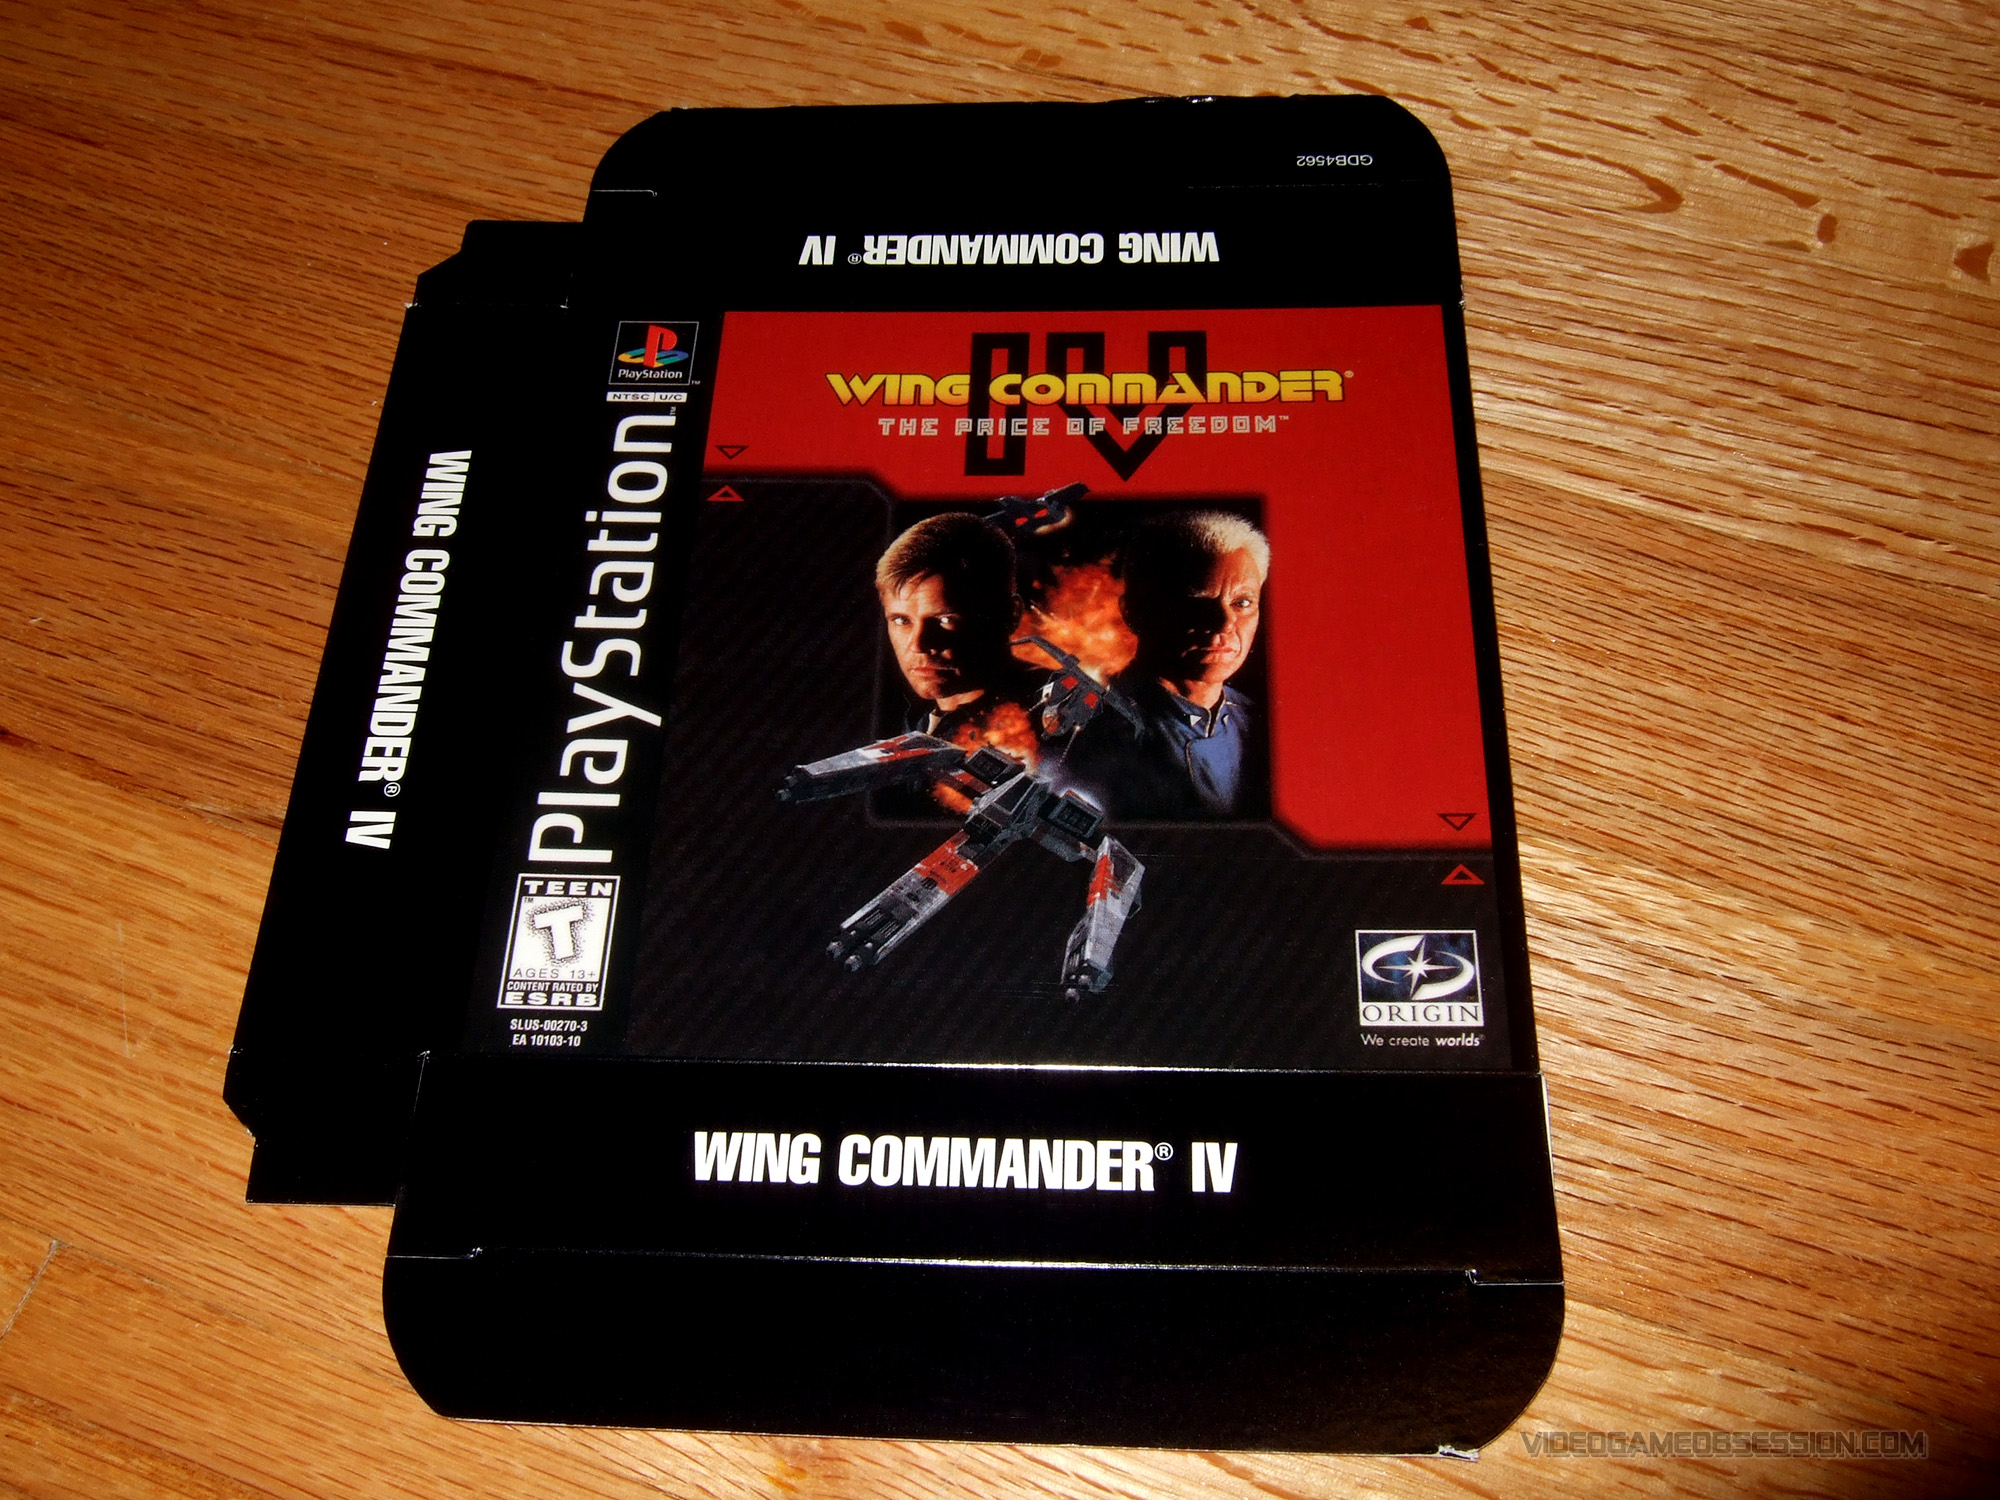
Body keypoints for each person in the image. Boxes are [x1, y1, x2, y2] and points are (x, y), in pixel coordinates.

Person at [1061, 510, 1269, 819]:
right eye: (1195, 601)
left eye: (1242, 603)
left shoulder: (1257, 725)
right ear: (1134, 611)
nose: (1224, 622)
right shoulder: (1093, 735)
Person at [876, 512, 1049, 747]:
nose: (918, 645)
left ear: (1010, 614)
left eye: (946, 619)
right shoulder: (919, 722)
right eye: (901, 621)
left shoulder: (1056, 718)